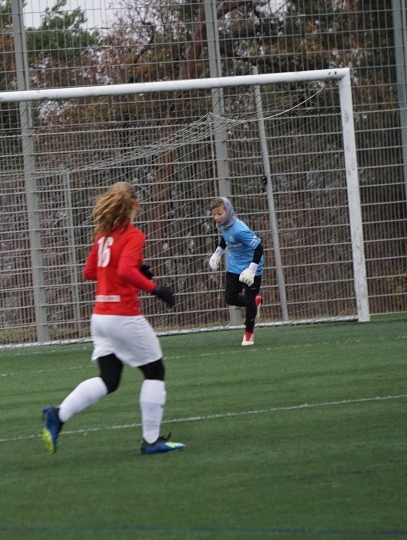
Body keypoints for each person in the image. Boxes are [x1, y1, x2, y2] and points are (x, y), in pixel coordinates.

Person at [41, 181, 185, 456]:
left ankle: (58, 415)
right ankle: (151, 441)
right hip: (122, 317)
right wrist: (155, 288)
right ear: (136, 204)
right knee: (155, 372)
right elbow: (125, 271)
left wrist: (134, 271)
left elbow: (90, 272)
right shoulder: (133, 235)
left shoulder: (103, 235)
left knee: (109, 379)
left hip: (100, 318)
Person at [207, 197, 264, 346]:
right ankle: (255, 302)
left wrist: (251, 270)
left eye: (220, 213)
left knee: (249, 300)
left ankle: (249, 334)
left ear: (228, 211)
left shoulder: (240, 230)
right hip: (234, 266)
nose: (216, 217)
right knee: (230, 298)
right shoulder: (223, 225)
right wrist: (218, 253)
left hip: (252, 266)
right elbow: (226, 238)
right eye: (214, 214)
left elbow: (259, 248)